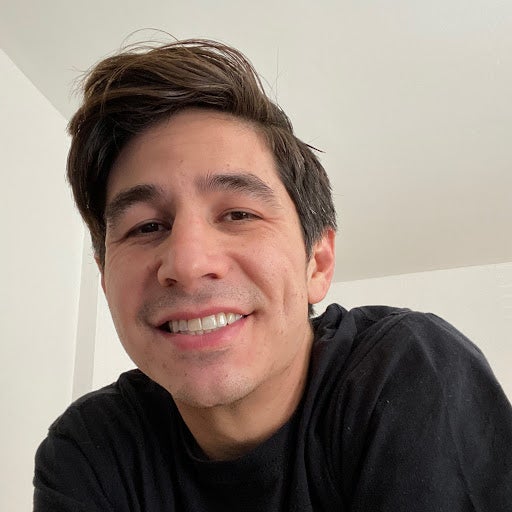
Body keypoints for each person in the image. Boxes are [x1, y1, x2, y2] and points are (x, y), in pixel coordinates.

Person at [33, 39, 512, 511]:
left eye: (238, 214)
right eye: (146, 227)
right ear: (104, 279)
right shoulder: (90, 450)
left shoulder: (407, 369)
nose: (188, 263)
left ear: (317, 262)